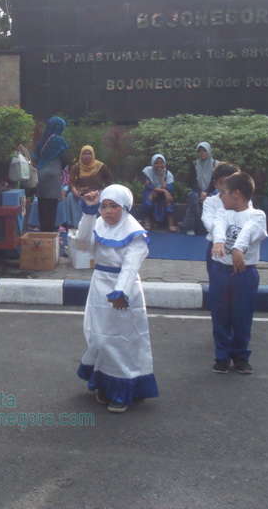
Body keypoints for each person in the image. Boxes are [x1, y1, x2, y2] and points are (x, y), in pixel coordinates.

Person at [73, 184, 159, 413]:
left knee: (121, 341)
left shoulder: (135, 233)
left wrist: (121, 291)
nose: (108, 211)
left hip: (123, 291)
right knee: (97, 336)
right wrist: (89, 213)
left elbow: (131, 267)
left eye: (114, 207)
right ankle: (102, 381)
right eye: (105, 206)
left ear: (125, 208)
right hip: (99, 286)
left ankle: (123, 390)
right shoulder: (98, 221)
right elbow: (82, 244)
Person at [209, 171, 268, 375]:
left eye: (224, 192)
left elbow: (249, 230)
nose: (221, 196)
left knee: (242, 316)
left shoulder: (257, 215)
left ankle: (241, 356)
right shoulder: (222, 212)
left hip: (245, 273)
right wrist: (219, 241)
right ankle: (222, 356)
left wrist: (237, 249)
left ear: (236, 194)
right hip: (220, 271)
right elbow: (219, 226)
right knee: (220, 315)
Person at [201, 162, 241, 277]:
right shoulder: (210, 202)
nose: (226, 187)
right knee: (216, 281)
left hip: (238, 246)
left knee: (238, 280)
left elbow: (247, 224)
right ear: (215, 184)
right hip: (215, 245)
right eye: (222, 183)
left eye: (231, 183)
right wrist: (221, 238)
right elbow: (208, 222)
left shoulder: (245, 202)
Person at [33, 116, 70, 232]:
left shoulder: (42, 140)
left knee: (42, 204)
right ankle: (49, 234)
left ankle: (43, 230)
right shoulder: (59, 140)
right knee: (51, 206)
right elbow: (65, 159)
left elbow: (35, 156)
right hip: (53, 175)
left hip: (40, 174)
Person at [64, 145, 112, 228]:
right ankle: (77, 225)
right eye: (84, 153)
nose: (87, 156)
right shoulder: (76, 167)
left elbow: (109, 180)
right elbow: (71, 182)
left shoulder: (101, 166)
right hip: (81, 193)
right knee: (70, 196)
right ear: (81, 155)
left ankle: (99, 226)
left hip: (97, 193)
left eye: (89, 153)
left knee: (103, 197)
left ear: (93, 155)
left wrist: (101, 191)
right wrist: (75, 191)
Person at [182, 142, 219, 235]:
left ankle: (209, 227)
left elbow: (216, 181)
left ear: (209, 151)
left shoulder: (216, 164)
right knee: (193, 197)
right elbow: (191, 181)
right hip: (197, 190)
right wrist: (200, 192)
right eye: (200, 151)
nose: (202, 153)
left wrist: (206, 192)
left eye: (204, 151)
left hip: (211, 190)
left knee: (215, 197)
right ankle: (192, 227)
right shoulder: (195, 164)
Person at [140, 153, 177, 231]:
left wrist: (162, 180)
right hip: (151, 191)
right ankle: (147, 220)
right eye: (156, 163)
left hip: (163, 193)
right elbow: (148, 186)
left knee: (169, 199)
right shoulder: (147, 171)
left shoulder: (168, 174)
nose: (159, 165)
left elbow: (171, 188)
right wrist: (163, 190)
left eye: (161, 162)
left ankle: (171, 223)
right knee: (149, 198)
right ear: (152, 163)